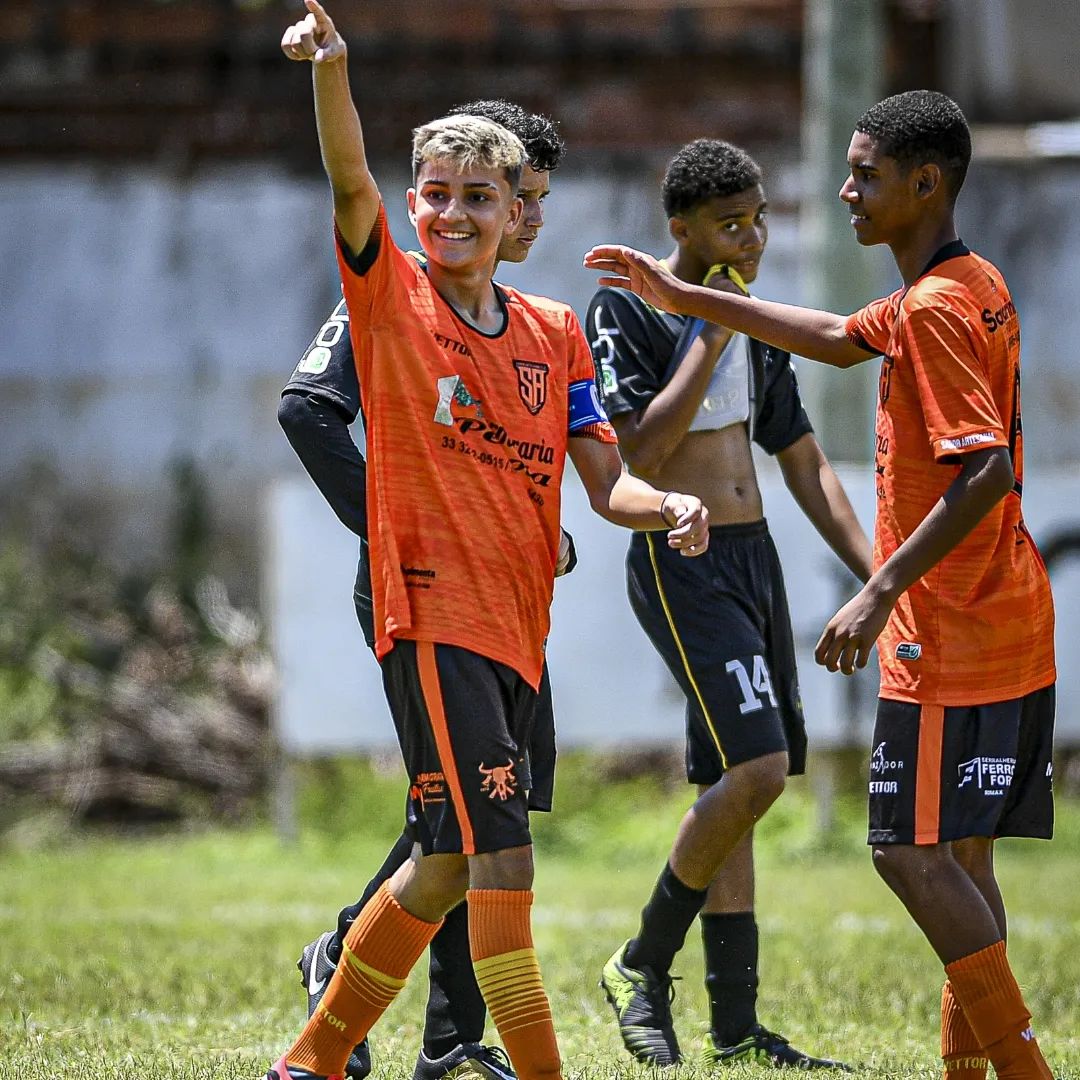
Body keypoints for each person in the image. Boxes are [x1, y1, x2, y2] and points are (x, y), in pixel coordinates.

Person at [268, 5, 710, 1080]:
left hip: (518, 628)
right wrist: (332, 70)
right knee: (497, 857)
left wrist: (670, 508)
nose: (451, 213)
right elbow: (346, 179)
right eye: (435, 194)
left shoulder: (557, 334)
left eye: (479, 197)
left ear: (520, 215)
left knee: (444, 866)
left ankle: (310, 1060)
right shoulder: (391, 297)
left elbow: (608, 484)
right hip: (432, 610)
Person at [585, 90, 1056, 1080]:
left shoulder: (932, 311)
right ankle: (964, 1069)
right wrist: (690, 302)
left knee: (905, 851)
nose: (844, 190)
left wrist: (879, 589)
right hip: (1002, 608)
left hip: (951, 621)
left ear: (924, 184)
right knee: (960, 854)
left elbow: (984, 470)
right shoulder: (963, 283)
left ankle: (1019, 1068)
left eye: (865, 175)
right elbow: (838, 335)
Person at [279, 98, 571, 1080]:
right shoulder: (396, 292)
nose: (527, 219)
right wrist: (407, 517)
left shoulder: (533, 328)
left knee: (462, 825)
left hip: (500, 587)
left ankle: (428, 1038)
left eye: (528, 200)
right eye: (518, 196)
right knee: (470, 825)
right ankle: (421, 1027)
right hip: (419, 578)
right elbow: (308, 410)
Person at [587, 138, 869, 1069]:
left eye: (756, 221)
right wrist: (712, 330)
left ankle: (738, 1029)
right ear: (681, 228)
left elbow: (800, 457)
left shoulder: (752, 313)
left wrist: (877, 575)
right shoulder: (629, 306)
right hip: (680, 555)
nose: (747, 241)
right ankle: (641, 961)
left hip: (751, 558)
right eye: (727, 225)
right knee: (758, 766)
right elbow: (642, 454)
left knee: (742, 783)